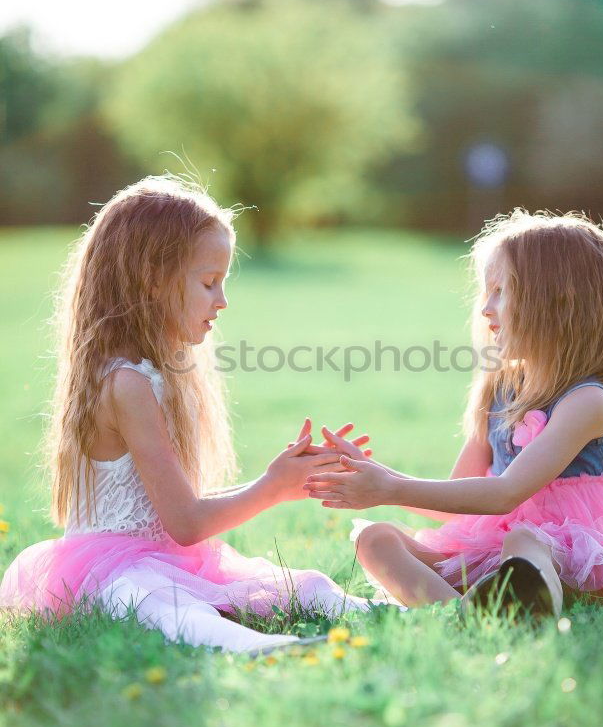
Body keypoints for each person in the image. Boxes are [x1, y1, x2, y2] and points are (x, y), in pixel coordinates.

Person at [0, 176, 371, 653]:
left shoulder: (153, 373)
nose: (222, 301)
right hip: (110, 571)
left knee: (309, 583)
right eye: (209, 283)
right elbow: (187, 524)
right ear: (154, 281)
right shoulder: (126, 383)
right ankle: (253, 645)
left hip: (162, 558)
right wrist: (270, 488)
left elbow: (174, 511)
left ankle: (404, 612)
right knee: (153, 599)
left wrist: (283, 481)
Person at [306, 210, 603, 616]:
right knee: (374, 539)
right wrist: (377, 478)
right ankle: (466, 614)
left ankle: (530, 596)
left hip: (574, 557)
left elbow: (506, 493)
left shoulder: (588, 401)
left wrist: (389, 487)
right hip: (490, 550)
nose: (485, 309)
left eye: (500, 291)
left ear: (557, 300)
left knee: (526, 542)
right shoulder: (501, 388)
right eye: (485, 292)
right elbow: (451, 500)